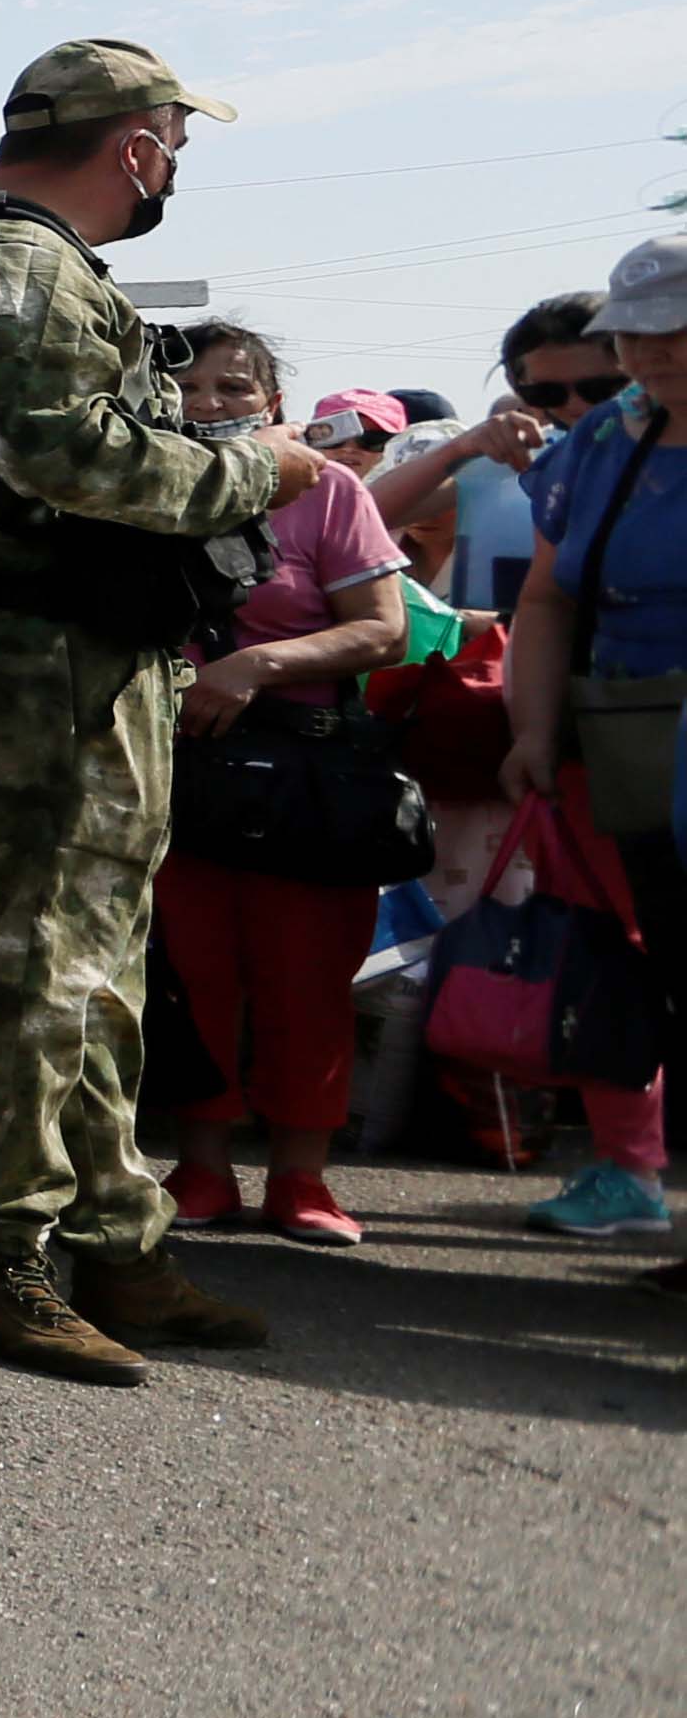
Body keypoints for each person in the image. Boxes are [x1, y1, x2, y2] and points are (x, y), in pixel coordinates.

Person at [0, 40, 326, 1382]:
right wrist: (251, 466)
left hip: (85, 651)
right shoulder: (16, 265)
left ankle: (115, 1235)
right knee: (30, 958)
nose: (173, 169)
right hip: (32, 659)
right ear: (134, 147)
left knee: (95, 963)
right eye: (174, 144)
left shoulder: (19, 262)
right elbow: (56, 453)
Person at [146, 320, 414, 1245]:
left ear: (274, 405)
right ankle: (201, 1168)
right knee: (191, 975)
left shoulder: (329, 489)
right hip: (173, 771)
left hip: (306, 772)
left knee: (305, 981)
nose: (206, 406)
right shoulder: (134, 486)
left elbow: (382, 630)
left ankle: (302, 1180)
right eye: (186, 388)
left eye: (231, 389)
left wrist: (250, 668)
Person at [504, 233, 687, 1289]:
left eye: (676, 333)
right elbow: (547, 597)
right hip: (638, 747)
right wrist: (532, 733)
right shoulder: (604, 446)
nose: (655, 356)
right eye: (639, 334)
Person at [377, 290, 616, 611]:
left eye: (598, 389)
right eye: (548, 392)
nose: (575, 404)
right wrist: (459, 449)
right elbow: (365, 513)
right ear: (519, 387)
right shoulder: (526, 457)